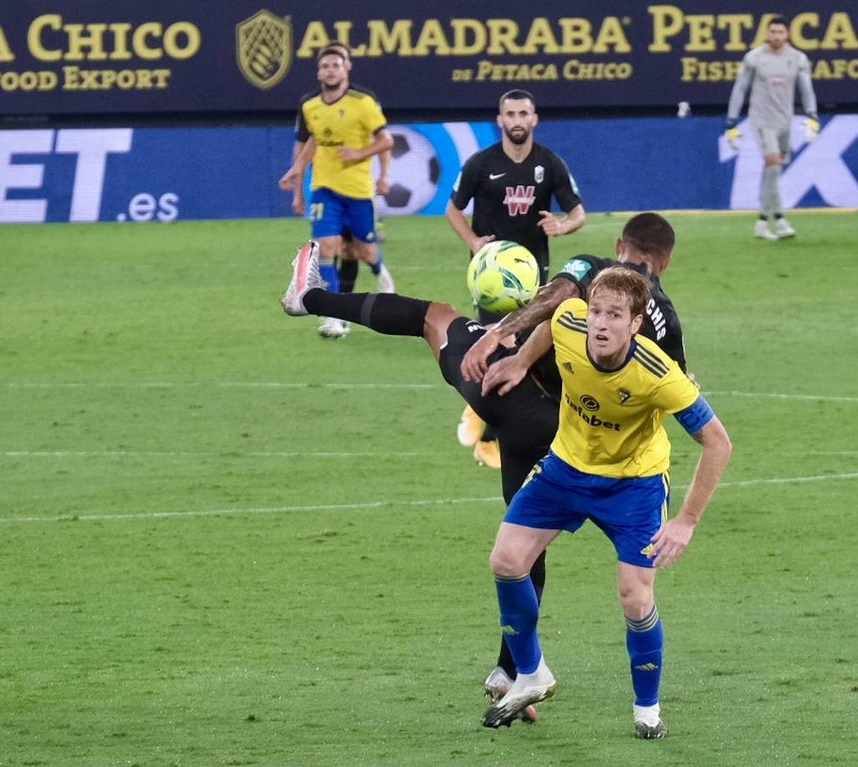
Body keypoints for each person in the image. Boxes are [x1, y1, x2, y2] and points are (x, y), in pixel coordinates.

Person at [281, 212, 688, 725]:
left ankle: (310, 298)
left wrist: (500, 337)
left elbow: (556, 297)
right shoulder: (664, 319)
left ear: (620, 244)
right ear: (665, 261)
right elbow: (677, 389)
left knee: (433, 316)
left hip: (514, 397)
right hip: (576, 439)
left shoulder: (596, 272)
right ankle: (511, 674)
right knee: (528, 550)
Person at [480, 267, 732, 739]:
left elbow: (718, 442)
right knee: (506, 560)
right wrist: (520, 360)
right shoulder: (570, 322)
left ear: (635, 324)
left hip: (633, 486)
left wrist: (686, 521)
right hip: (566, 469)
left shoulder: (659, 374)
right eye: (596, 311)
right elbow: (551, 323)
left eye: (614, 315)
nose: (600, 323)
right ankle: (531, 674)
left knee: (635, 597)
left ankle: (647, 709)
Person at [446, 88, 587, 468]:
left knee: (531, 354)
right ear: (500, 119)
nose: (517, 121)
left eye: (523, 114)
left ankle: (488, 424)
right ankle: (490, 434)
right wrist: (473, 242)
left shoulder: (549, 163)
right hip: (492, 280)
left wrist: (562, 225)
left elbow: (578, 213)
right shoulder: (480, 163)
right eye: (510, 114)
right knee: (504, 347)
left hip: (536, 278)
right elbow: (453, 209)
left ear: (534, 118)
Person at [279, 41, 395, 338]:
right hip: (324, 188)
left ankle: (383, 277)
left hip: (357, 191)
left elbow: (386, 140)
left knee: (363, 252)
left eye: (336, 65)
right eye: (325, 66)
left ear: (346, 69)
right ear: (318, 72)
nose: (330, 71)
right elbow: (313, 142)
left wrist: (365, 159)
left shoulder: (363, 102)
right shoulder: (310, 105)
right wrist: (297, 174)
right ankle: (332, 319)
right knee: (327, 248)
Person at [724, 16, 820, 241]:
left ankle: (770, 221)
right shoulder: (754, 58)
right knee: (774, 164)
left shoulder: (797, 58)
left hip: (785, 120)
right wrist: (731, 121)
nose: (776, 36)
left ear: (787, 34)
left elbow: (806, 89)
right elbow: (740, 89)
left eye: (780, 32)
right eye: (773, 32)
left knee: (774, 170)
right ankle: (771, 220)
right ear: (767, 34)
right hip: (761, 119)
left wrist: (812, 115)